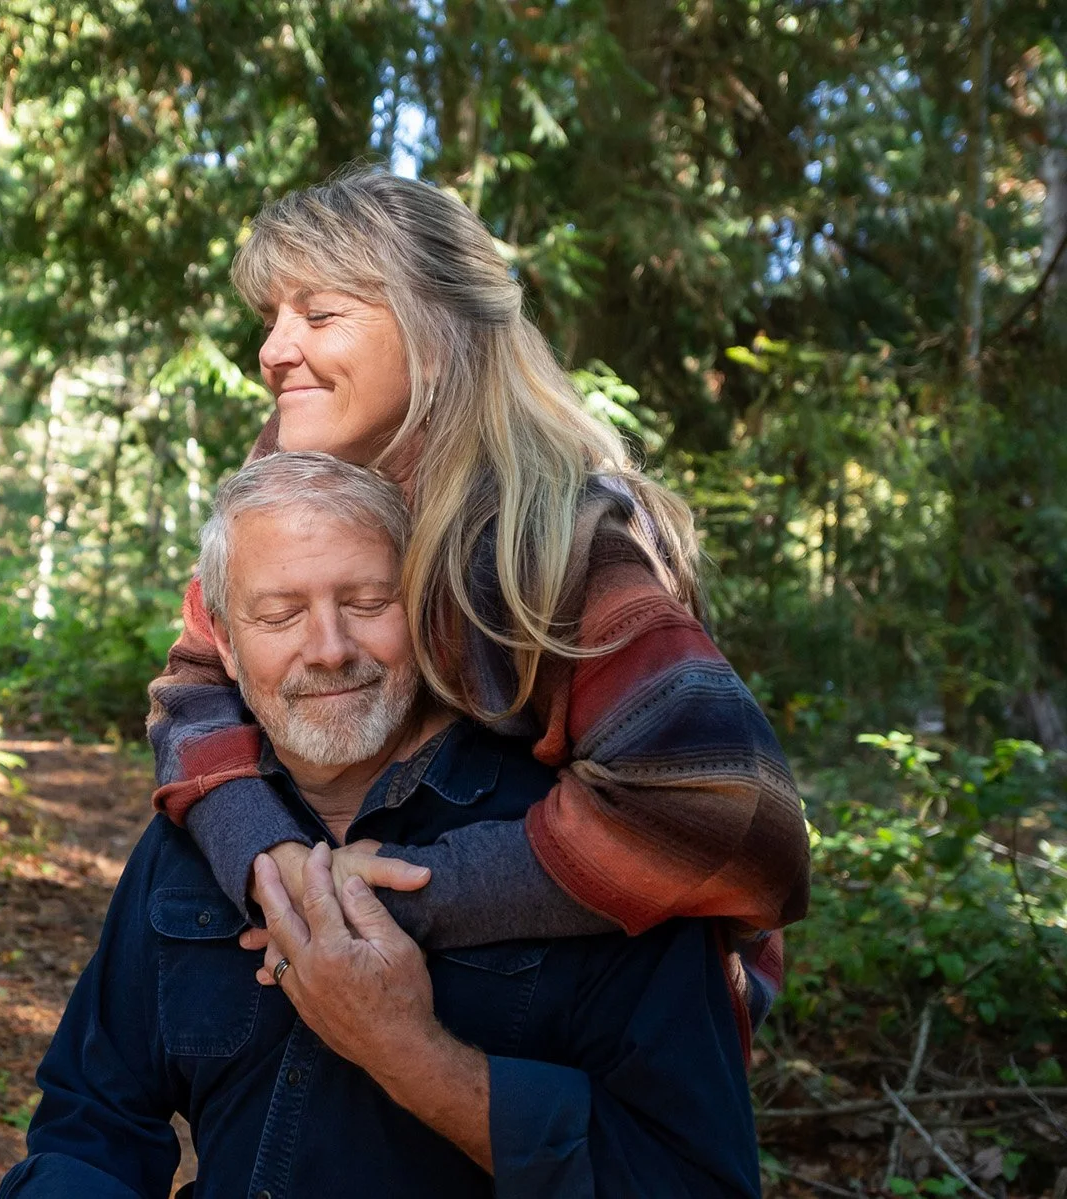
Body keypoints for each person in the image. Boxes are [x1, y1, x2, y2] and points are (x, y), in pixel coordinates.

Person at [146, 168, 808, 1037]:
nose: (271, 349)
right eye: (271, 318)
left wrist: (412, 888)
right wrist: (270, 857)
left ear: (436, 330)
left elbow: (731, 815)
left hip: (629, 1024)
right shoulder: (306, 466)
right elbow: (197, 682)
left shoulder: (556, 541)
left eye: (318, 314)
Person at [0, 454, 762, 1199]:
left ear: (433, 617)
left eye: (367, 602)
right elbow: (90, 1123)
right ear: (225, 645)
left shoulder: (583, 848)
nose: (330, 649)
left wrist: (415, 1058)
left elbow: (694, 1175)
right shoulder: (191, 845)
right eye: (280, 614)